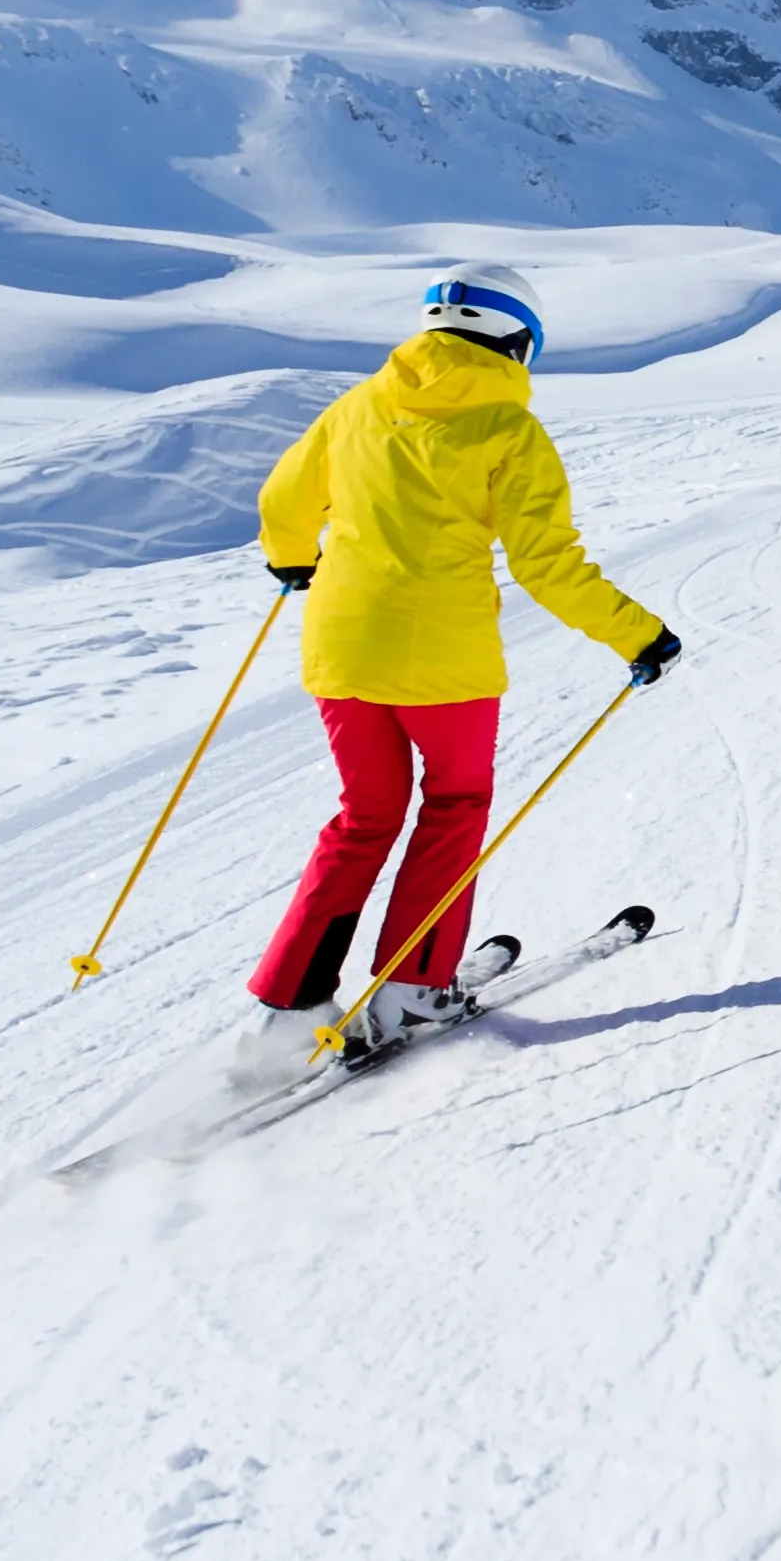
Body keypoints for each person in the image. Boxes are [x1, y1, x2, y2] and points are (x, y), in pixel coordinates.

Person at [244, 271, 679, 1066]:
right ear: (517, 342)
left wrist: (292, 560)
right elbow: (547, 565)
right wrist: (639, 636)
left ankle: (289, 1005)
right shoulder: (508, 428)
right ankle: (412, 988)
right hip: (445, 664)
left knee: (364, 816)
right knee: (454, 804)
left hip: (340, 648)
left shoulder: (358, 406)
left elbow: (283, 502)